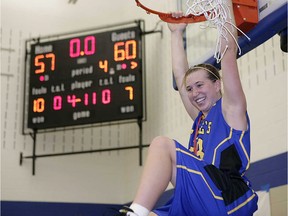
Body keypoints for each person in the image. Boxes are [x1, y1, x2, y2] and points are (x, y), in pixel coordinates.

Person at [116, 0, 258, 215]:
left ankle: (135, 212)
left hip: (226, 195)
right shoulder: (200, 119)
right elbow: (180, 76)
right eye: (190, 89)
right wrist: (175, 34)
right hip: (202, 195)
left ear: (217, 84)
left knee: (162, 145)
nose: (194, 93)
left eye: (200, 85)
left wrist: (226, 8)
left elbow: (228, 56)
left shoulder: (230, 109)